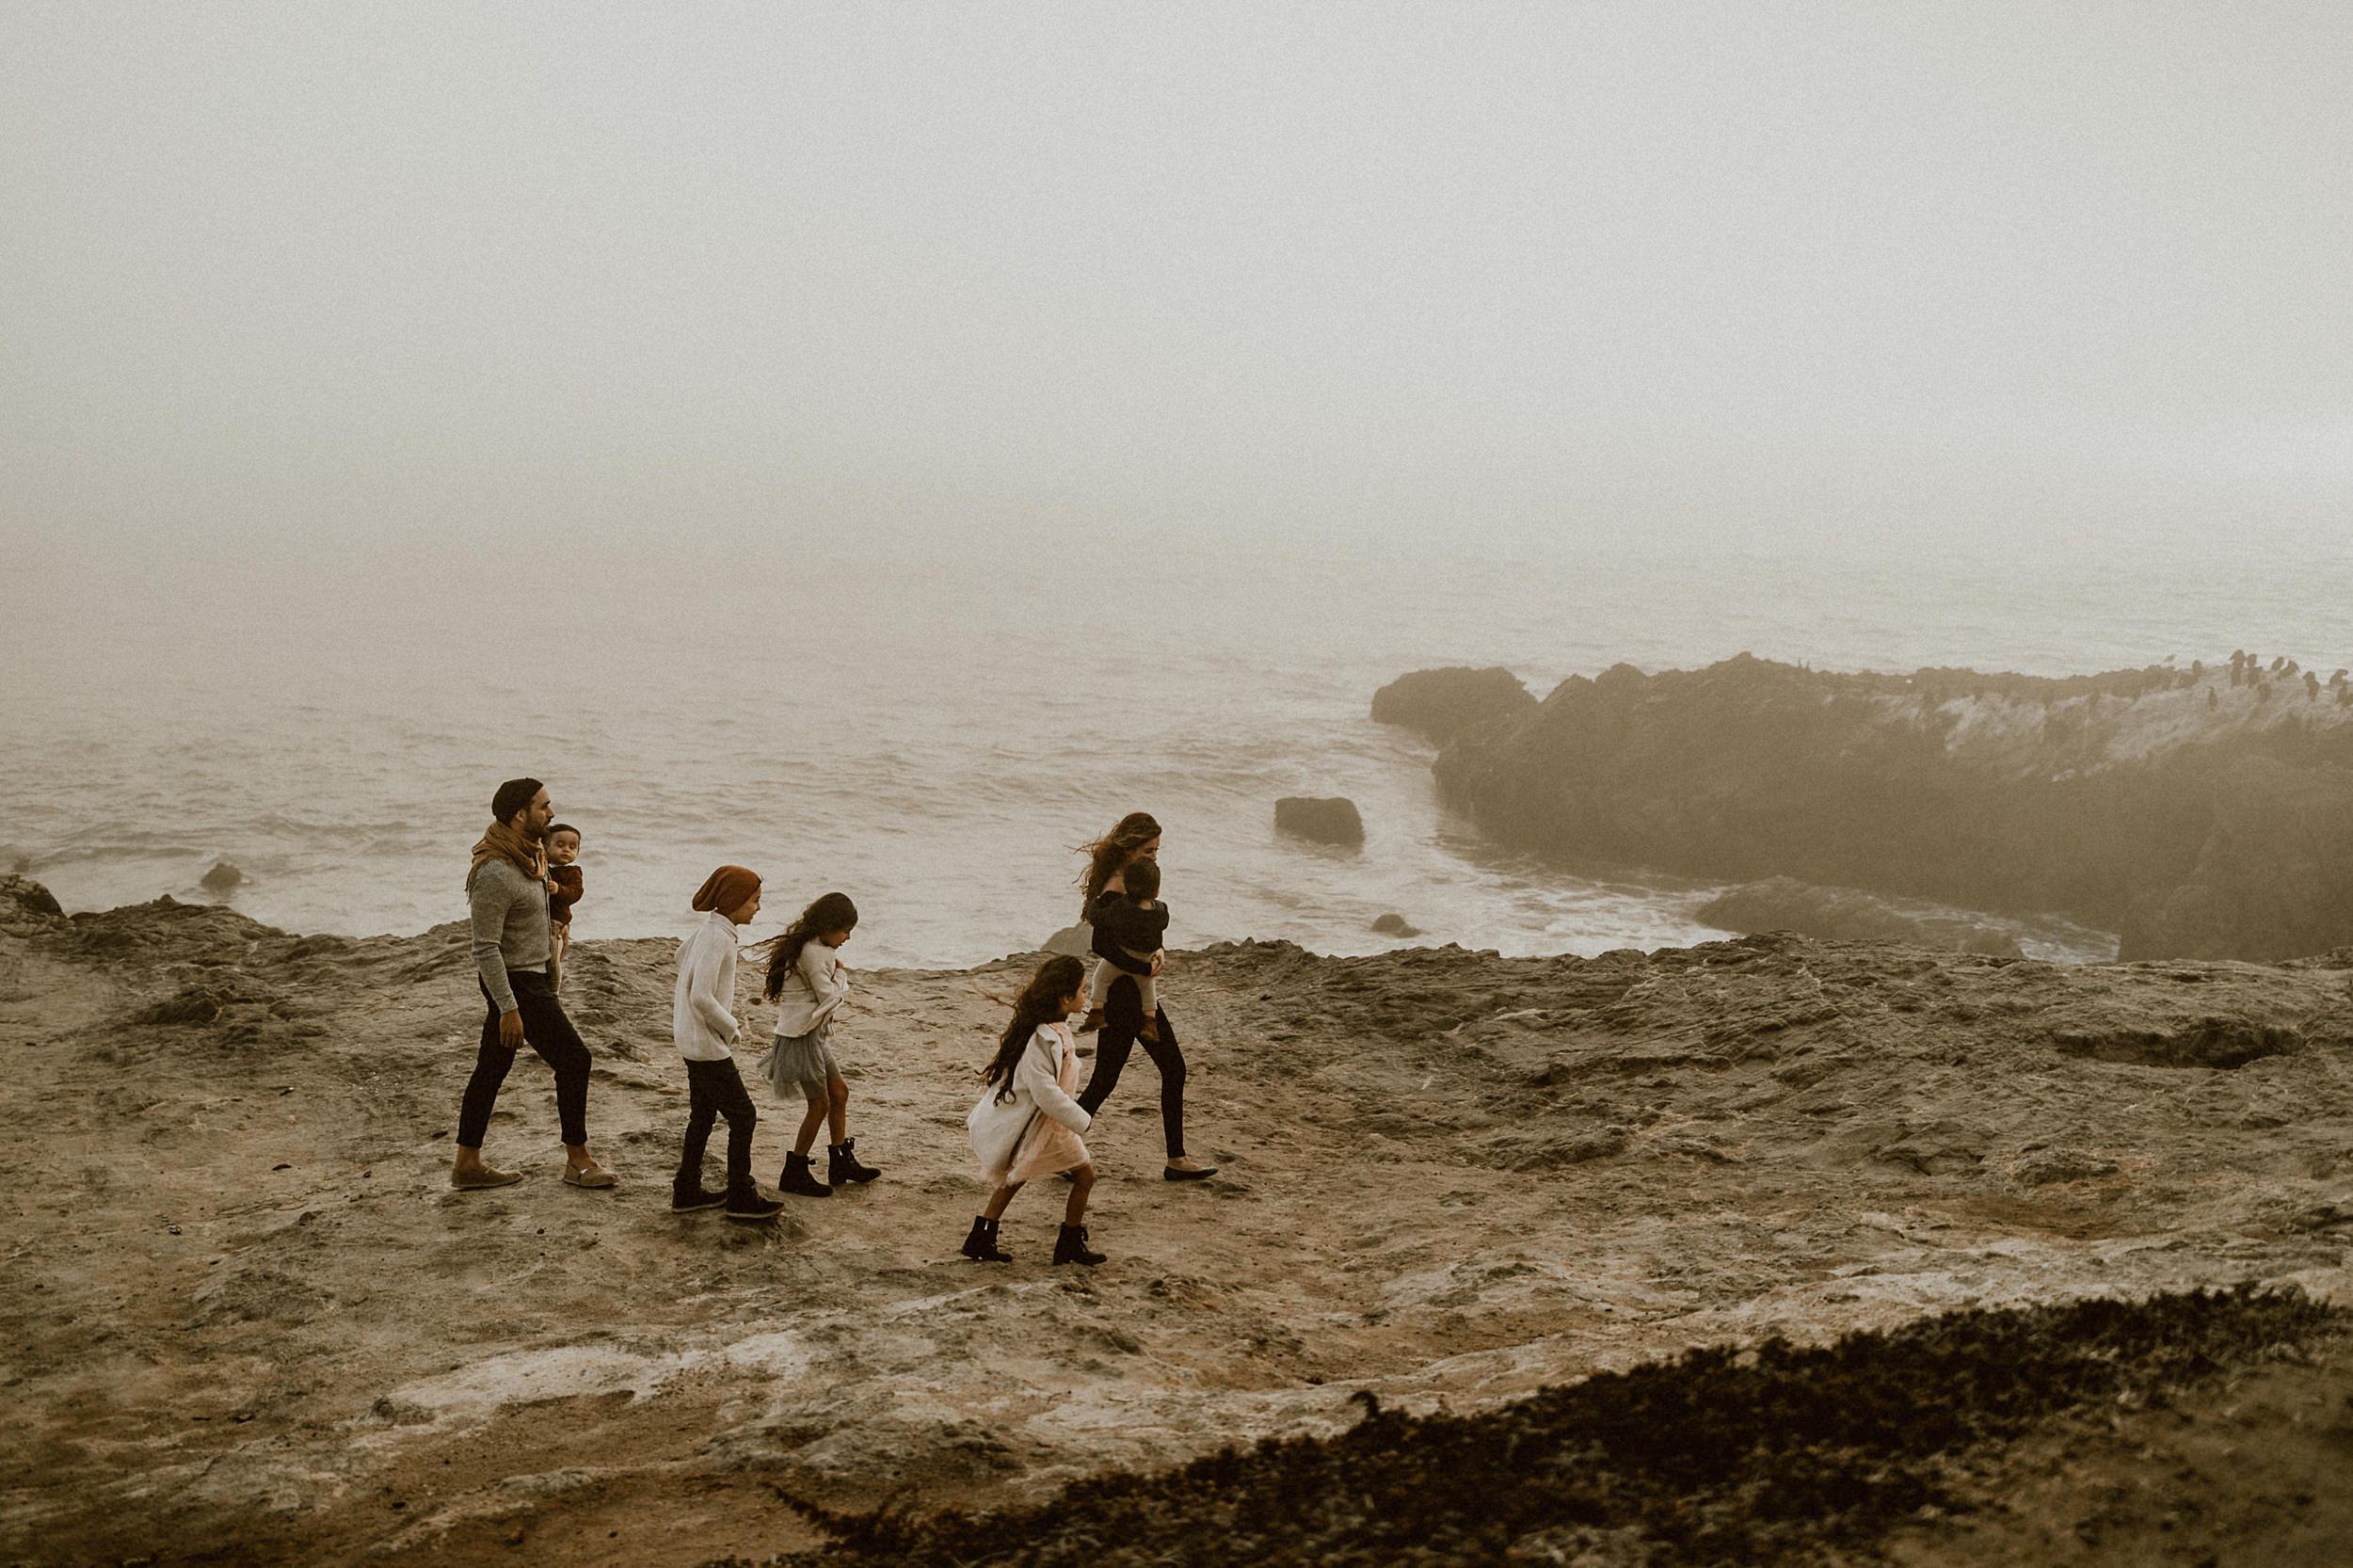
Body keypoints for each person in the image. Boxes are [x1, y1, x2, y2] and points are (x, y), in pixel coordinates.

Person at [452, 777, 615, 1192]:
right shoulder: (493, 872)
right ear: (520, 814)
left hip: (536, 977)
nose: (552, 813)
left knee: (491, 1068)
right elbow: (485, 948)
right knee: (576, 1060)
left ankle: (467, 1163)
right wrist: (508, 1008)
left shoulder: (533, 856)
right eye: (544, 806)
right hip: (518, 985)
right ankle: (577, 1161)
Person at [1072, 813, 1214, 1180]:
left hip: (1129, 991)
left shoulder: (1135, 881)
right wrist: (1139, 968)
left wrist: (1159, 951)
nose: (1154, 857)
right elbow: (1100, 944)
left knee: (1106, 1079)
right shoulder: (1116, 886)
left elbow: (1146, 924)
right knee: (1168, 1069)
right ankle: (1176, 1159)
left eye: (1157, 850)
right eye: (1149, 850)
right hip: (1125, 994)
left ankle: (1174, 1159)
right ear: (1131, 847)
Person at [962, 954, 1103, 1265]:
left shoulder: (1056, 1030)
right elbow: (1046, 1093)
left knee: (1017, 1177)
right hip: (1047, 1124)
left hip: (1051, 1122)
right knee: (1084, 1176)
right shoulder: (1042, 1039)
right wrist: (1081, 1119)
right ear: (1065, 998)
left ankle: (981, 1235)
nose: (1086, 995)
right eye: (1082, 990)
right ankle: (1069, 1242)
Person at [670, 865, 784, 1223]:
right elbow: (701, 996)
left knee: (702, 1116)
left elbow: (678, 958)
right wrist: (731, 1025)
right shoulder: (719, 937)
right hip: (706, 1043)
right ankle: (740, 1194)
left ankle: (686, 1189)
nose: (758, 908)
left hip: (690, 1037)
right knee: (744, 1116)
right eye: (754, 901)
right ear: (735, 901)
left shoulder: (711, 929)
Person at [760, 891, 879, 1197]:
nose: (848, 937)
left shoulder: (813, 947)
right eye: (845, 931)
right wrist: (842, 975)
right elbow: (829, 997)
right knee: (820, 1104)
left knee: (839, 1092)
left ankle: (840, 1162)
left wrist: (836, 973)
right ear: (828, 926)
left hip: (811, 1033)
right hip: (801, 1037)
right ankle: (795, 1171)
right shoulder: (814, 954)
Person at [1086, 856, 1169, 1042]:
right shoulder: (1161, 911)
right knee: (1149, 993)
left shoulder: (1120, 908)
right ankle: (1150, 1022)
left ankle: (1096, 1012)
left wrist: (1096, 901)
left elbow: (1097, 917)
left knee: (1100, 978)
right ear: (1156, 891)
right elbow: (1159, 928)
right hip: (1146, 959)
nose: (1155, 854)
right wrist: (1158, 950)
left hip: (1122, 959)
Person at [545, 823, 584, 989]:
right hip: (539, 920)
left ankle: (554, 989)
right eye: (560, 845)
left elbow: (576, 893)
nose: (566, 850)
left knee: (554, 959)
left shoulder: (572, 872)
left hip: (556, 923)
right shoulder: (542, 867)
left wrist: (559, 889)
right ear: (546, 847)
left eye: (572, 847)